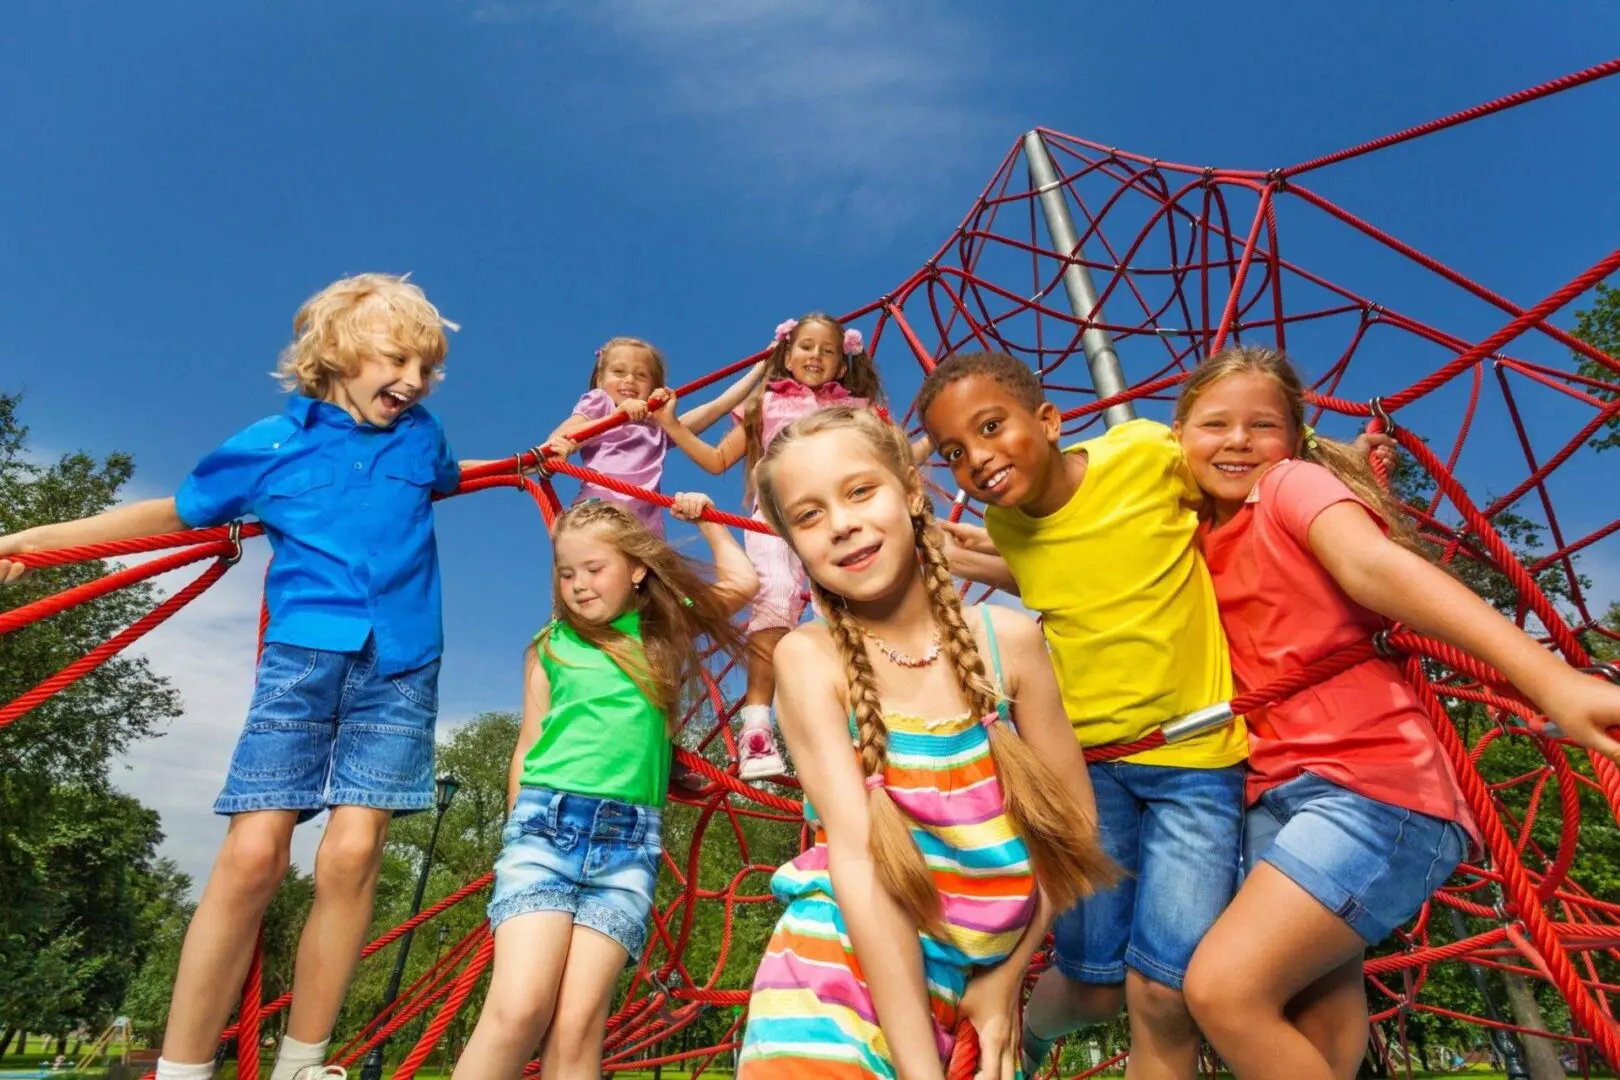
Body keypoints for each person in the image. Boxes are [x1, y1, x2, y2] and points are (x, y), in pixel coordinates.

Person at [0, 273, 471, 1080]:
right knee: (255, 854)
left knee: (354, 853)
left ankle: (304, 1060)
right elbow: (167, 512)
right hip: (303, 660)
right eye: (399, 359)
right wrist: (32, 540)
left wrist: (541, 453)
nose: (416, 381)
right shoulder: (268, 447)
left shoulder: (422, 438)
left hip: (401, 661)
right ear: (338, 355)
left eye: (428, 368)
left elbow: (462, 474)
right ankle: (181, 1067)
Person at [1171, 346, 1620, 1080]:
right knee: (1317, 1024)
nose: (1238, 440)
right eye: (1214, 424)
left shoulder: (1288, 484)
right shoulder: (1188, 540)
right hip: (1273, 793)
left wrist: (1550, 679)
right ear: (1177, 438)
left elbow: (1370, 565)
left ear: (1294, 440)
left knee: (1225, 991)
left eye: (1263, 424)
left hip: (1373, 787)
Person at [735, 406, 1114, 1080]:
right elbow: (860, 864)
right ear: (793, 544)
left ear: (911, 491)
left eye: (860, 491)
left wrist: (1006, 980)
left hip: (974, 989)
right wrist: (917, 1068)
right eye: (809, 515)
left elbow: (1077, 829)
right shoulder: (810, 659)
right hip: (838, 983)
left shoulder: (1010, 644)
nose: (843, 523)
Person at [917, 351, 1248, 1080]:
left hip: (1197, 763)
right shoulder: (1007, 528)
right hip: (1090, 773)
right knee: (1095, 986)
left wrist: (1340, 455)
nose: (977, 458)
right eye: (954, 453)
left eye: (991, 427)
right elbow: (1070, 571)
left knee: (1166, 988)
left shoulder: (1143, 452)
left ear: (1051, 419)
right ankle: (1032, 1039)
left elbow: (1242, 460)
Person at [452, 495, 756, 1080]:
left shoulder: (663, 635)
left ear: (637, 568)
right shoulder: (551, 647)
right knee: (519, 1009)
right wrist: (513, 835)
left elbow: (742, 580)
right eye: (567, 573)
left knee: (579, 1027)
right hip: (545, 830)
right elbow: (528, 745)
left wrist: (707, 519)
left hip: (628, 845)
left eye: (595, 569)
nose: (579, 585)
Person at [655, 313, 922, 780]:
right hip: (776, 518)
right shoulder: (766, 403)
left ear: (842, 363)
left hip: (837, 519)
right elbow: (718, 460)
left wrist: (936, 441)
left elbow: (896, 459)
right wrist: (673, 428)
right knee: (773, 600)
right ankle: (756, 727)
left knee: (842, 612)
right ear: (786, 353)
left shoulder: (856, 408)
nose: (815, 356)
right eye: (805, 347)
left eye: (827, 350)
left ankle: (862, 723)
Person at [542, 336, 764, 535]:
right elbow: (557, 439)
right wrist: (614, 418)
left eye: (641, 375)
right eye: (618, 372)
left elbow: (717, 406)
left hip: (644, 527)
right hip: (598, 513)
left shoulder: (658, 427)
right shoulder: (602, 403)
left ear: (654, 388)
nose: (629, 380)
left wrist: (759, 369)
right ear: (600, 380)